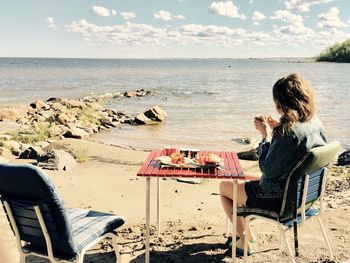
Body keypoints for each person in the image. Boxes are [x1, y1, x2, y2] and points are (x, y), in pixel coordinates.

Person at [219, 73, 327, 253]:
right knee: (241, 179)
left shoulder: (289, 132)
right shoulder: (315, 123)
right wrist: (278, 129)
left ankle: (244, 240)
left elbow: (267, 169)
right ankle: (244, 235)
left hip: (280, 200)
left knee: (224, 187)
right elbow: (295, 153)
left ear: (280, 102)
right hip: (304, 196)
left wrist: (266, 136)